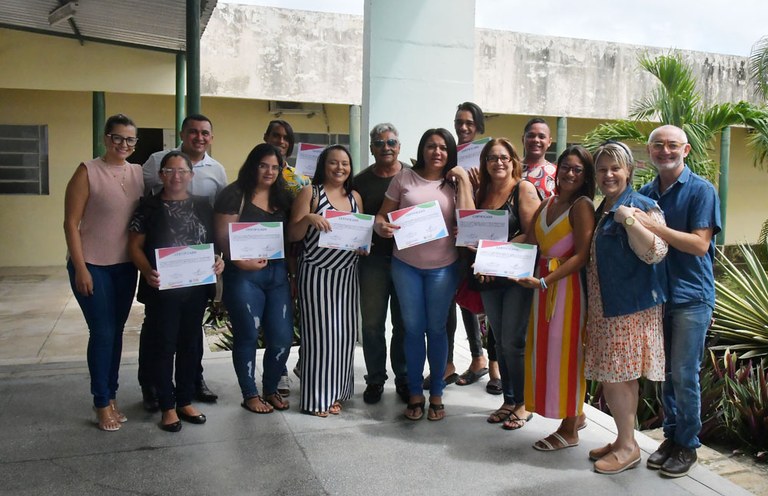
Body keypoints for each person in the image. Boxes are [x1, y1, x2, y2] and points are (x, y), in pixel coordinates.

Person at [637, 125, 721, 478]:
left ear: (685, 150)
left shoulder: (702, 191)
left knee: (685, 374)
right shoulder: (645, 193)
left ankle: (687, 444)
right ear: (650, 150)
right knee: (667, 375)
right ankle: (671, 437)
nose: (665, 151)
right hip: (659, 297)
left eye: (672, 145)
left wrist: (654, 228)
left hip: (692, 297)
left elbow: (700, 245)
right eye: (658, 145)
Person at [375, 128, 474, 421]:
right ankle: (416, 393)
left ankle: (438, 394)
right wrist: (381, 227)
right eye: (431, 146)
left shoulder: (455, 182)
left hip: (443, 267)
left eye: (443, 147)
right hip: (406, 265)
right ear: (422, 149)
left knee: (437, 329)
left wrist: (465, 179)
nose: (437, 152)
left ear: (450, 152)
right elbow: (382, 215)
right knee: (413, 329)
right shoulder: (404, 178)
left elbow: (468, 220)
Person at [584, 141, 668, 475]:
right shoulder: (603, 205)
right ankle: (622, 440)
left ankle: (629, 447)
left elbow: (657, 252)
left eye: (615, 168)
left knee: (620, 378)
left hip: (628, 308)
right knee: (613, 376)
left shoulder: (640, 205)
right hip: (606, 305)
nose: (608, 175)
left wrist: (631, 222)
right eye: (602, 169)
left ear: (629, 171)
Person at [128, 151, 225, 432]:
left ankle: (184, 399)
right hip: (162, 290)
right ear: (161, 175)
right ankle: (167, 406)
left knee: (189, 345)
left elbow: (213, 244)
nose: (176, 176)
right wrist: (147, 272)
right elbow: (134, 247)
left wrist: (218, 260)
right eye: (169, 171)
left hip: (195, 288)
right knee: (164, 346)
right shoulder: (148, 207)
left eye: (182, 171)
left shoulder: (203, 206)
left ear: (191, 176)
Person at [63, 113, 144, 432]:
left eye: (129, 139)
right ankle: (101, 402)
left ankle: (111, 396)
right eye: (117, 137)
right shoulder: (87, 171)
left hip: (125, 266)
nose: (123, 144)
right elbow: (70, 223)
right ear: (105, 138)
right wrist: (81, 267)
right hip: (92, 265)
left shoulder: (138, 173)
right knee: (102, 332)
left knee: (117, 331)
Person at [141, 114, 227, 408]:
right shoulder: (154, 164)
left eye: (205, 133)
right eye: (193, 131)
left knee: (190, 338)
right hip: (162, 275)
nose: (199, 137)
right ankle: (154, 389)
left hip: (194, 277)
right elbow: (138, 228)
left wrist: (217, 259)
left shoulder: (215, 174)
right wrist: (146, 268)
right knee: (158, 337)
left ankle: (189, 387)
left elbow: (215, 226)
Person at [515, 145, 596, 449]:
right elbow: (530, 241)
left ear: (585, 175)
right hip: (542, 287)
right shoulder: (547, 203)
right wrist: (489, 252)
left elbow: (581, 255)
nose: (571, 173)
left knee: (568, 354)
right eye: (566, 166)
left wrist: (546, 282)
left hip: (566, 290)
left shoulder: (582, 205)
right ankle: (577, 415)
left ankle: (570, 430)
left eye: (578, 169)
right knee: (547, 352)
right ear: (557, 168)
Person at [214, 143, 295, 414]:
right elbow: (222, 237)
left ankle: (270, 389)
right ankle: (250, 394)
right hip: (244, 276)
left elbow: (291, 238)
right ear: (253, 165)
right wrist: (239, 261)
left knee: (282, 338)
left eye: (275, 167)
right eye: (263, 165)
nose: (269, 171)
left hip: (278, 275)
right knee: (247, 335)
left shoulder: (283, 196)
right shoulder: (234, 194)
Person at [289, 145, 363, 417]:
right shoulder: (311, 192)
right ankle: (317, 397)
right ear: (324, 165)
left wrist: (362, 246)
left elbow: (359, 235)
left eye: (345, 163)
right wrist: (308, 218)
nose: (340, 168)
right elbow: (293, 235)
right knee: (320, 336)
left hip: (346, 272)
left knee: (343, 336)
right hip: (317, 272)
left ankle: (337, 392)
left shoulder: (355, 196)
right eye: (333, 163)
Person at [472, 138, 541, 430]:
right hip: (488, 277)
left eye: (503, 157)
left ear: (513, 160)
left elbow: (533, 233)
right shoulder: (482, 193)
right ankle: (509, 399)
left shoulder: (522, 189)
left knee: (515, 341)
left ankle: (524, 402)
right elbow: (473, 232)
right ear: (485, 164)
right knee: (500, 341)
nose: (498, 162)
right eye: (491, 158)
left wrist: (493, 254)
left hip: (515, 276)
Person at [353, 123, 409, 404]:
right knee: (373, 324)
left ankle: (403, 378)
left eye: (391, 142)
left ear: (399, 146)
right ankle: (375, 378)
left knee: (403, 324)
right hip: (372, 261)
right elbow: (351, 219)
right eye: (379, 143)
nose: (386, 147)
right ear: (372, 148)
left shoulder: (413, 176)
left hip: (407, 262)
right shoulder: (360, 181)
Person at [448, 102, 494, 391]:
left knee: (486, 299)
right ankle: (475, 358)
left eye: (469, 123)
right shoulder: (449, 155)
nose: (463, 127)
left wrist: (479, 185)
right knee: (462, 299)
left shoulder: (489, 156)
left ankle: (492, 362)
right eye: (459, 122)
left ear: (478, 127)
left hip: (479, 237)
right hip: (449, 237)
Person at [263, 118, 309, 395]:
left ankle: (301, 365)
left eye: (286, 138)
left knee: (297, 316)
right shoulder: (254, 173)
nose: (281, 141)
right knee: (272, 320)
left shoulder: (299, 179)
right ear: (265, 137)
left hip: (294, 255)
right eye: (276, 136)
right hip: (259, 254)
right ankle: (277, 372)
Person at [521, 118, 557, 199]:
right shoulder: (511, 168)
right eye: (531, 136)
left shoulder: (557, 174)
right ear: (523, 139)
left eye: (541, 136)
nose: (536, 140)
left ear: (549, 142)